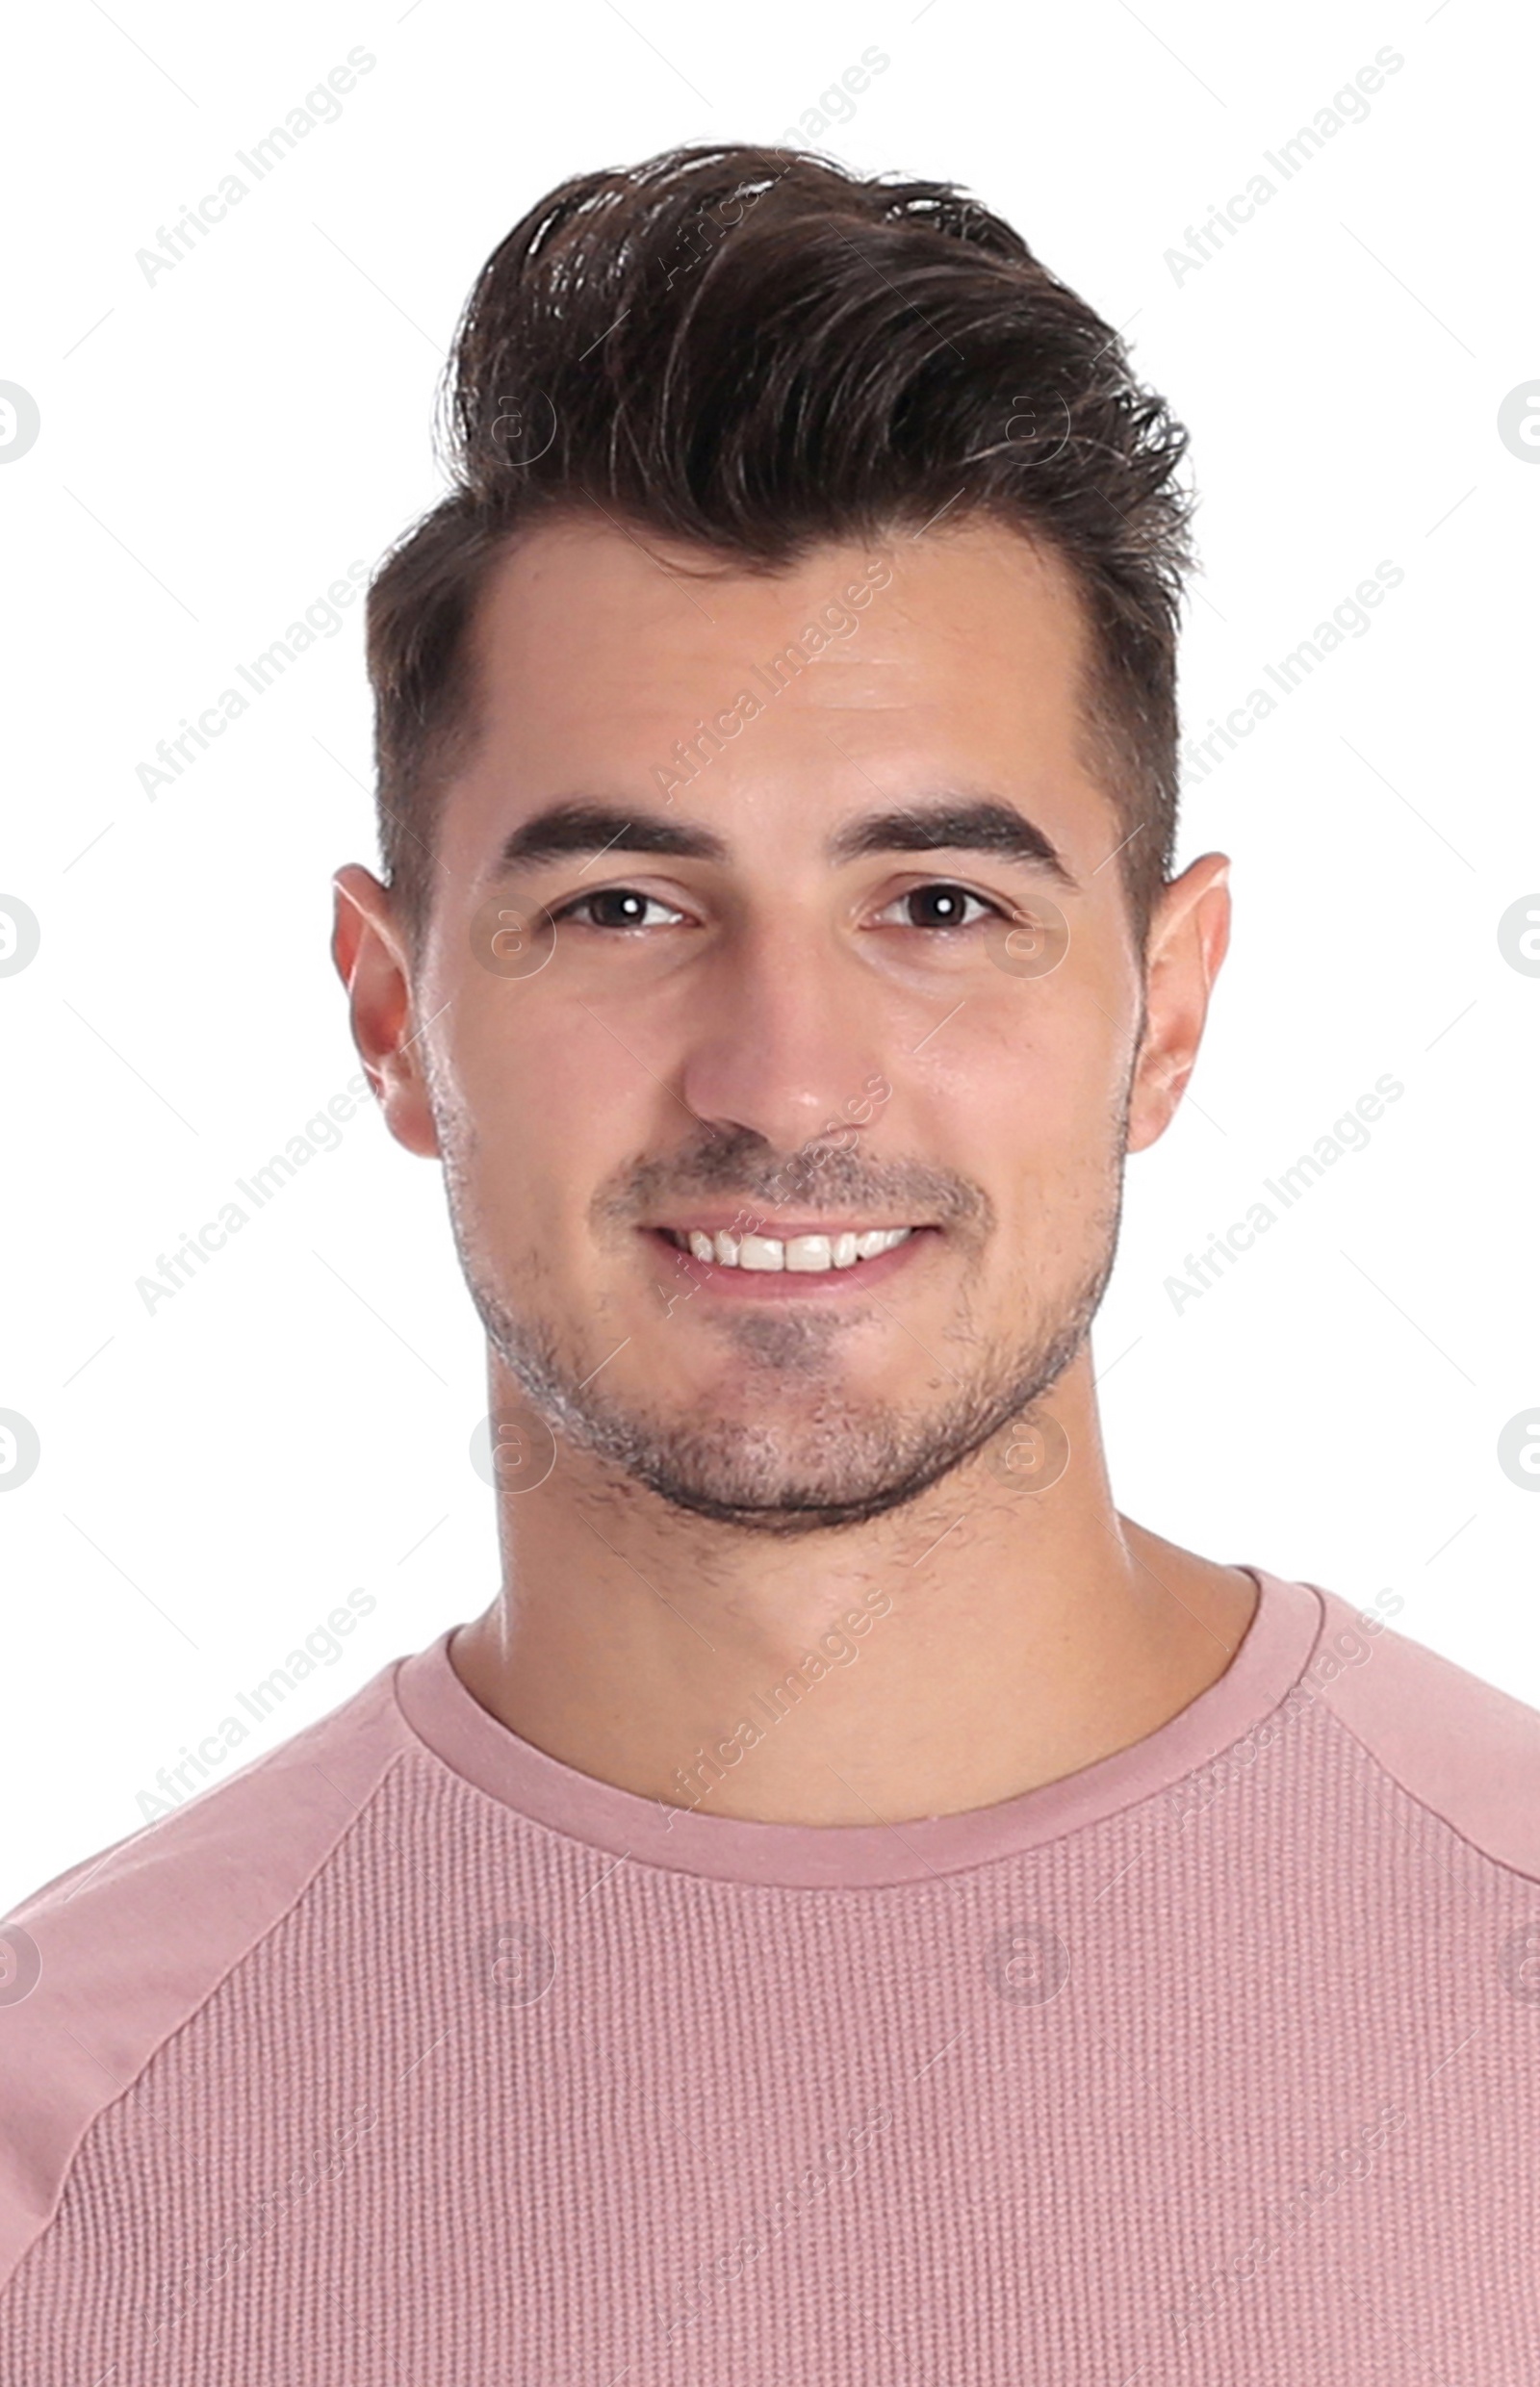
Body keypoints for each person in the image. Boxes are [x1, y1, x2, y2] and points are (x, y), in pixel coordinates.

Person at [3, 141, 1537, 2382]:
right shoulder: (62, 2142)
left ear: (1165, 1006)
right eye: (619, 907)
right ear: (387, 1009)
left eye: (938, 905)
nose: (781, 1076)